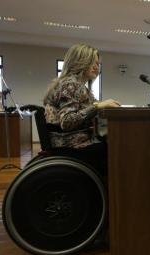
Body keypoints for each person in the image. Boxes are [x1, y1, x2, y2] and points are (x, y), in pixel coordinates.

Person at [43, 44, 120, 176]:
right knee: (118, 149)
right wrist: (96, 107)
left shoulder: (70, 83)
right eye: (93, 63)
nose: (97, 67)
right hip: (72, 145)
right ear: (80, 62)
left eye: (98, 63)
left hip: (66, 142)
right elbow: (67, 122)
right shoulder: (71, 84)